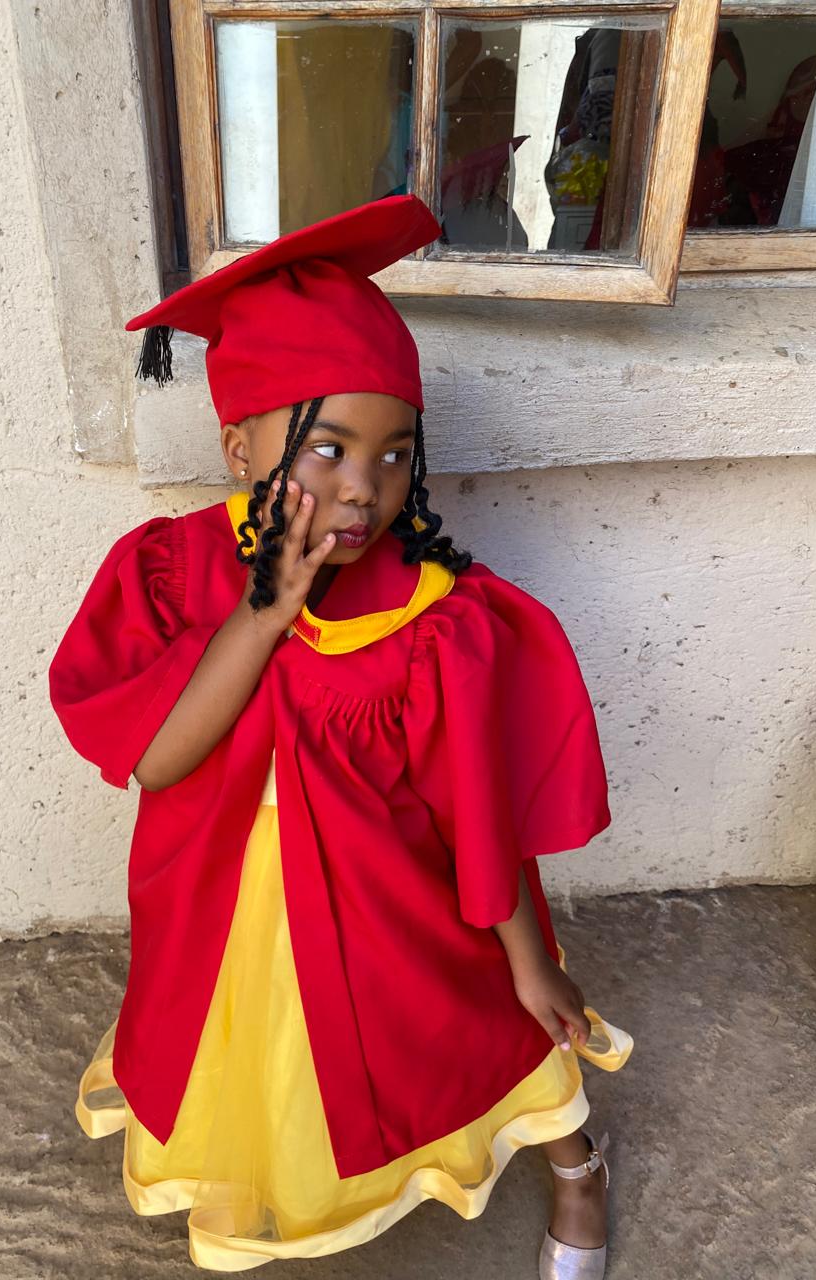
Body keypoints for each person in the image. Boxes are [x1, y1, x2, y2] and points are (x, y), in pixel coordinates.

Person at [47, 194, 633, 1277]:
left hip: (395, 909)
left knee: (489, 1035)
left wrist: (526, 958)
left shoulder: (429, 613)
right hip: (227, 919)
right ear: (240, 446)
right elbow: (159, 756)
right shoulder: (173, 574)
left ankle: (577, 1163)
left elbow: (475, 809)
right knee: (261, 1078)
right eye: (326, 448)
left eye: (395, 454)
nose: (363, 489)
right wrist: (265, 613)